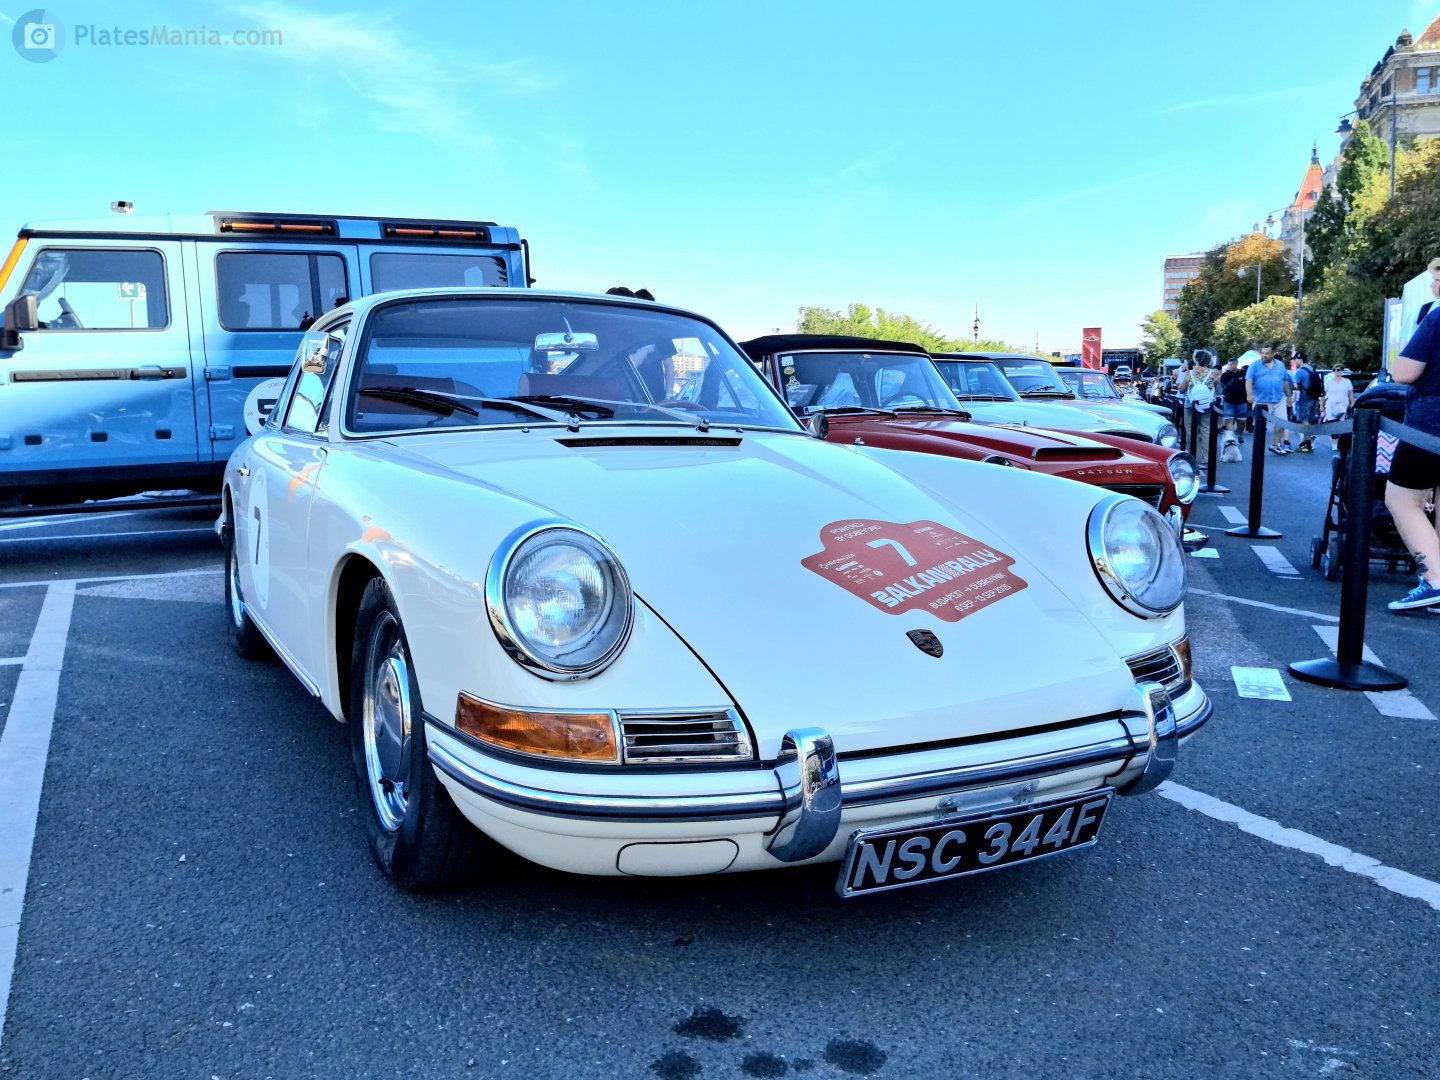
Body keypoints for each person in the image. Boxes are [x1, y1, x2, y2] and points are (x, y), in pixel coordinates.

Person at [1384, 282, 1440, 610]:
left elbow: (1404, 372)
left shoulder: (1435, 318)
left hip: (1430, 427)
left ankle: (1434, 578)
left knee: (1403, 499)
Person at [1246, 344, 1294, 454]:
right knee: (1260, 427)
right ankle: (1258, 449)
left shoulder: (1280, 365)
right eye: (1262, 353)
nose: (1264, 355)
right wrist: (1249, 395)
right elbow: (1249, 381)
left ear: (1272, 354)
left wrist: (1289, 396)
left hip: (1278, 399)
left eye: (1267, 353)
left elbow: (1285, 381)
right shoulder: (1254, 366)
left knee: (1282, 423)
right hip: (1261, 400)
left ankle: (1275, 445)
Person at [1185, 351, 1217, 465]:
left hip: (1191, 404)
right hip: (1206, 404)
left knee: (1190, 430)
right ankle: (1206, 457)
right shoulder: (1213, 373)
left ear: (1196, 359)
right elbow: (1215, 388)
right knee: (1206, 430)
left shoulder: (1190, 373)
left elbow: (1182, 388)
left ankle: (1192, 455)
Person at [1291, 351, 1322, 452]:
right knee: (1311, 420)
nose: (1295, 361)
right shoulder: (1311, 368)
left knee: (1305, 420)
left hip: (1305, 398)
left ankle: (1307, 442)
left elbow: (1295, 385)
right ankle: (1308, 441)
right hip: (1315, 397)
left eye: (1296, 359)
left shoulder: (1300, 371)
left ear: (1300, 359)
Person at [1322, 365, 1355, 452]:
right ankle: (1334, 443)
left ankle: (1341, 442)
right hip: (1331, 406)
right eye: (1335, 370)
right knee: (1332, 424)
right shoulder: (1328, 382)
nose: (1337, 372)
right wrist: (1321, 405)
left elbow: (1350, 393)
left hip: (1343, 406)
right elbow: (1323, 395)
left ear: (1342, 371)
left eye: (1338, 370)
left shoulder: (1346, 382)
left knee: (1342, 424)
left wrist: (1352, 402)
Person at [1218, 354, 1250, 441]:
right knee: (1229, 420)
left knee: (1242, 421)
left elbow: (1249, 384)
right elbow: (1221, 385)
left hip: (1242, 401)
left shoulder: (1243, 373)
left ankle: (1240, 435)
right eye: (1229, 364)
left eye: (1231, 364)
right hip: (1229, 401)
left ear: (1236, 364)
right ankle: (1231, 438)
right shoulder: (1225, 375)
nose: (1229, 366)